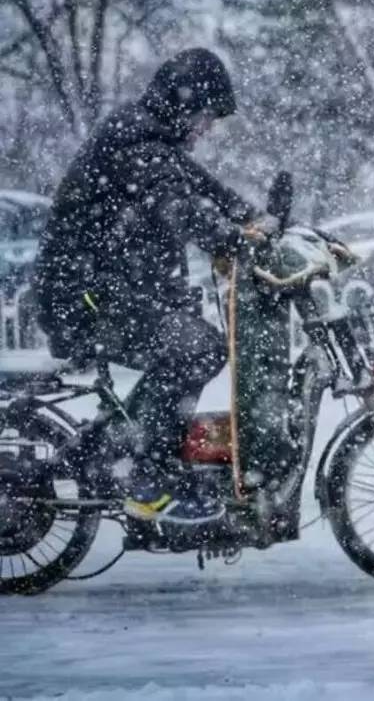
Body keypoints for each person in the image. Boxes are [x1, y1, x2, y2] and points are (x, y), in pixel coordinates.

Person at [35, 48, 265, 526]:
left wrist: (256, 218)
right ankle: (148, 476)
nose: (205, 128)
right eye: (204, 116)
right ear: (182, 104)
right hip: (86, 299)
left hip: (107, 293)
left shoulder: (153, 139)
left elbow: (206, 188)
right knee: (196, 350)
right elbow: (181, 206)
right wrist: (229, 239)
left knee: (190, 344)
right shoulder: (137, 144)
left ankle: (122, 447)